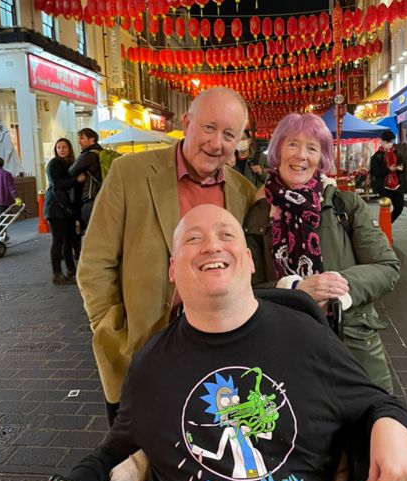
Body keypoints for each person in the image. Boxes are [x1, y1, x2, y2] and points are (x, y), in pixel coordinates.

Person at [6, 204, 407, 481]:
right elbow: (115, 451)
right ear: (173, 268)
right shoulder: (152, 363)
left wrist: (391, 424)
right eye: (193, 238)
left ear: (248, 260)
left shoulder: (306, 340)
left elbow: (375, 403)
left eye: (226, 235)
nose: (211, 246)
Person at [77, 87, 260, 426]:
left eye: (229, 134)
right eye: (209, 128)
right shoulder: (128, 174)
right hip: (141, 351)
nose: (217, 142)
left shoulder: (243, 193)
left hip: (217, 359)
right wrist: (111, 329)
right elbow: (94, 264)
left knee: (201, 454)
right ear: (187, 123)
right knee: (133, 462)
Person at [243, 113, 400, 394]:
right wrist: (296, 289)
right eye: (292, 144)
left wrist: (336, 287)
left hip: (350, 342)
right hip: (284, 350)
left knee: (370, 427)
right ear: (277, 150)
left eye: (312, 148)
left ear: (321, 157)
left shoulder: (345, 205)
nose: (301, 155)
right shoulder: (258, 215)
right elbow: (245, 287)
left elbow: (387, 266)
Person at [42, 138, 77, 285]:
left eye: (64, 147)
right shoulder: (54, 163)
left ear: (69, 149)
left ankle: (71, 271)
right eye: (59, 147)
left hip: (65, 208)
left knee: (68, 241)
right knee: (58, 242)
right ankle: (57, 274)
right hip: (56, 208)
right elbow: (57, 184)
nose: (61, 150)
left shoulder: (69, 163)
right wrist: (77, 180)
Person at [67, 127, 103, 261]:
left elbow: (71, 171)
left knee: (90, 232)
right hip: (102, 197)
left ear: (91, 139)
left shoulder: (88, 155)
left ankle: (92, 262)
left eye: (82, 138)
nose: (79, 141)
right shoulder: (101, 153)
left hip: (90, 198)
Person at [369, 129, 405, 222]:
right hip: (384, 186)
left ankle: (386, 225)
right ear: (382, 141)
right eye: (387, 141)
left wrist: (400, 168)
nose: (390, 143)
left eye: (391, 141)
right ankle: (385, 229)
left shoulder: (397, 153)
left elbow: (402, 166)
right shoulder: (376, 156)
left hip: (396, 185)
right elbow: (375, 172)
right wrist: (389, 169)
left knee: (399, 208)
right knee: (385, 209)